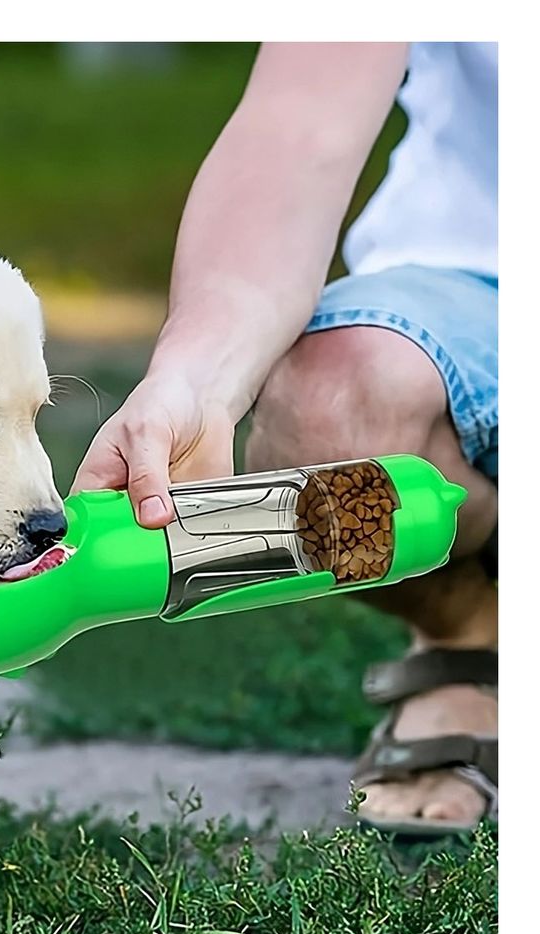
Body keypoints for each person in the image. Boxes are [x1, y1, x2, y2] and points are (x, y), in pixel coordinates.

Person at [72, 42, 497, 834]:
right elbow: (297, 127)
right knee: (333, 411)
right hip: (477, 279)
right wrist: (196, 381)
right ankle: (473, 640)